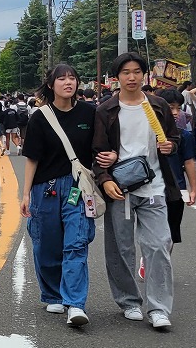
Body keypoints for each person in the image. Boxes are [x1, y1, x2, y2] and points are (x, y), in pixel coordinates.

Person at [94, 52, 181, 331]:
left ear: (144, 75)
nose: (131, 77)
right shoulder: (106, 110)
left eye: (136, 72)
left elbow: (174, 138)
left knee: (158, 246)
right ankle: (129, 300)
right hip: (120, 187)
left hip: (154, 186)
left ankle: (159, 308)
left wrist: (170, 146)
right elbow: (97, 151)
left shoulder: (157, 106)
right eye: (125, 72)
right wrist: (105, 178)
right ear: (116, 77)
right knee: (121, 248)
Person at [21, 64, 104, 327]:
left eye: (72, 78)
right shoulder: (40, 117)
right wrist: (25, 195)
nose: (68, 82)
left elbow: (99, 148)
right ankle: (53, 293)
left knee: (76, 242)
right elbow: (32, 158)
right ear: (51, 84)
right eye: (62, 78)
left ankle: (76, 303)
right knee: (45, 243)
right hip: (45, 188)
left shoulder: (90, 114)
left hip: (78, 188)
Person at [157, 89, 196, 247]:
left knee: (171, 231)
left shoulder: (184, 136)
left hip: (176, 188)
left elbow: (189, 162)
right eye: (170, 107)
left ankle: (162, 265)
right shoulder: (146, 133)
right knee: (153, 230)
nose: (175, 113)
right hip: (151, 188)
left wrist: (193, 189)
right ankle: (151, 259)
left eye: (178, 108)